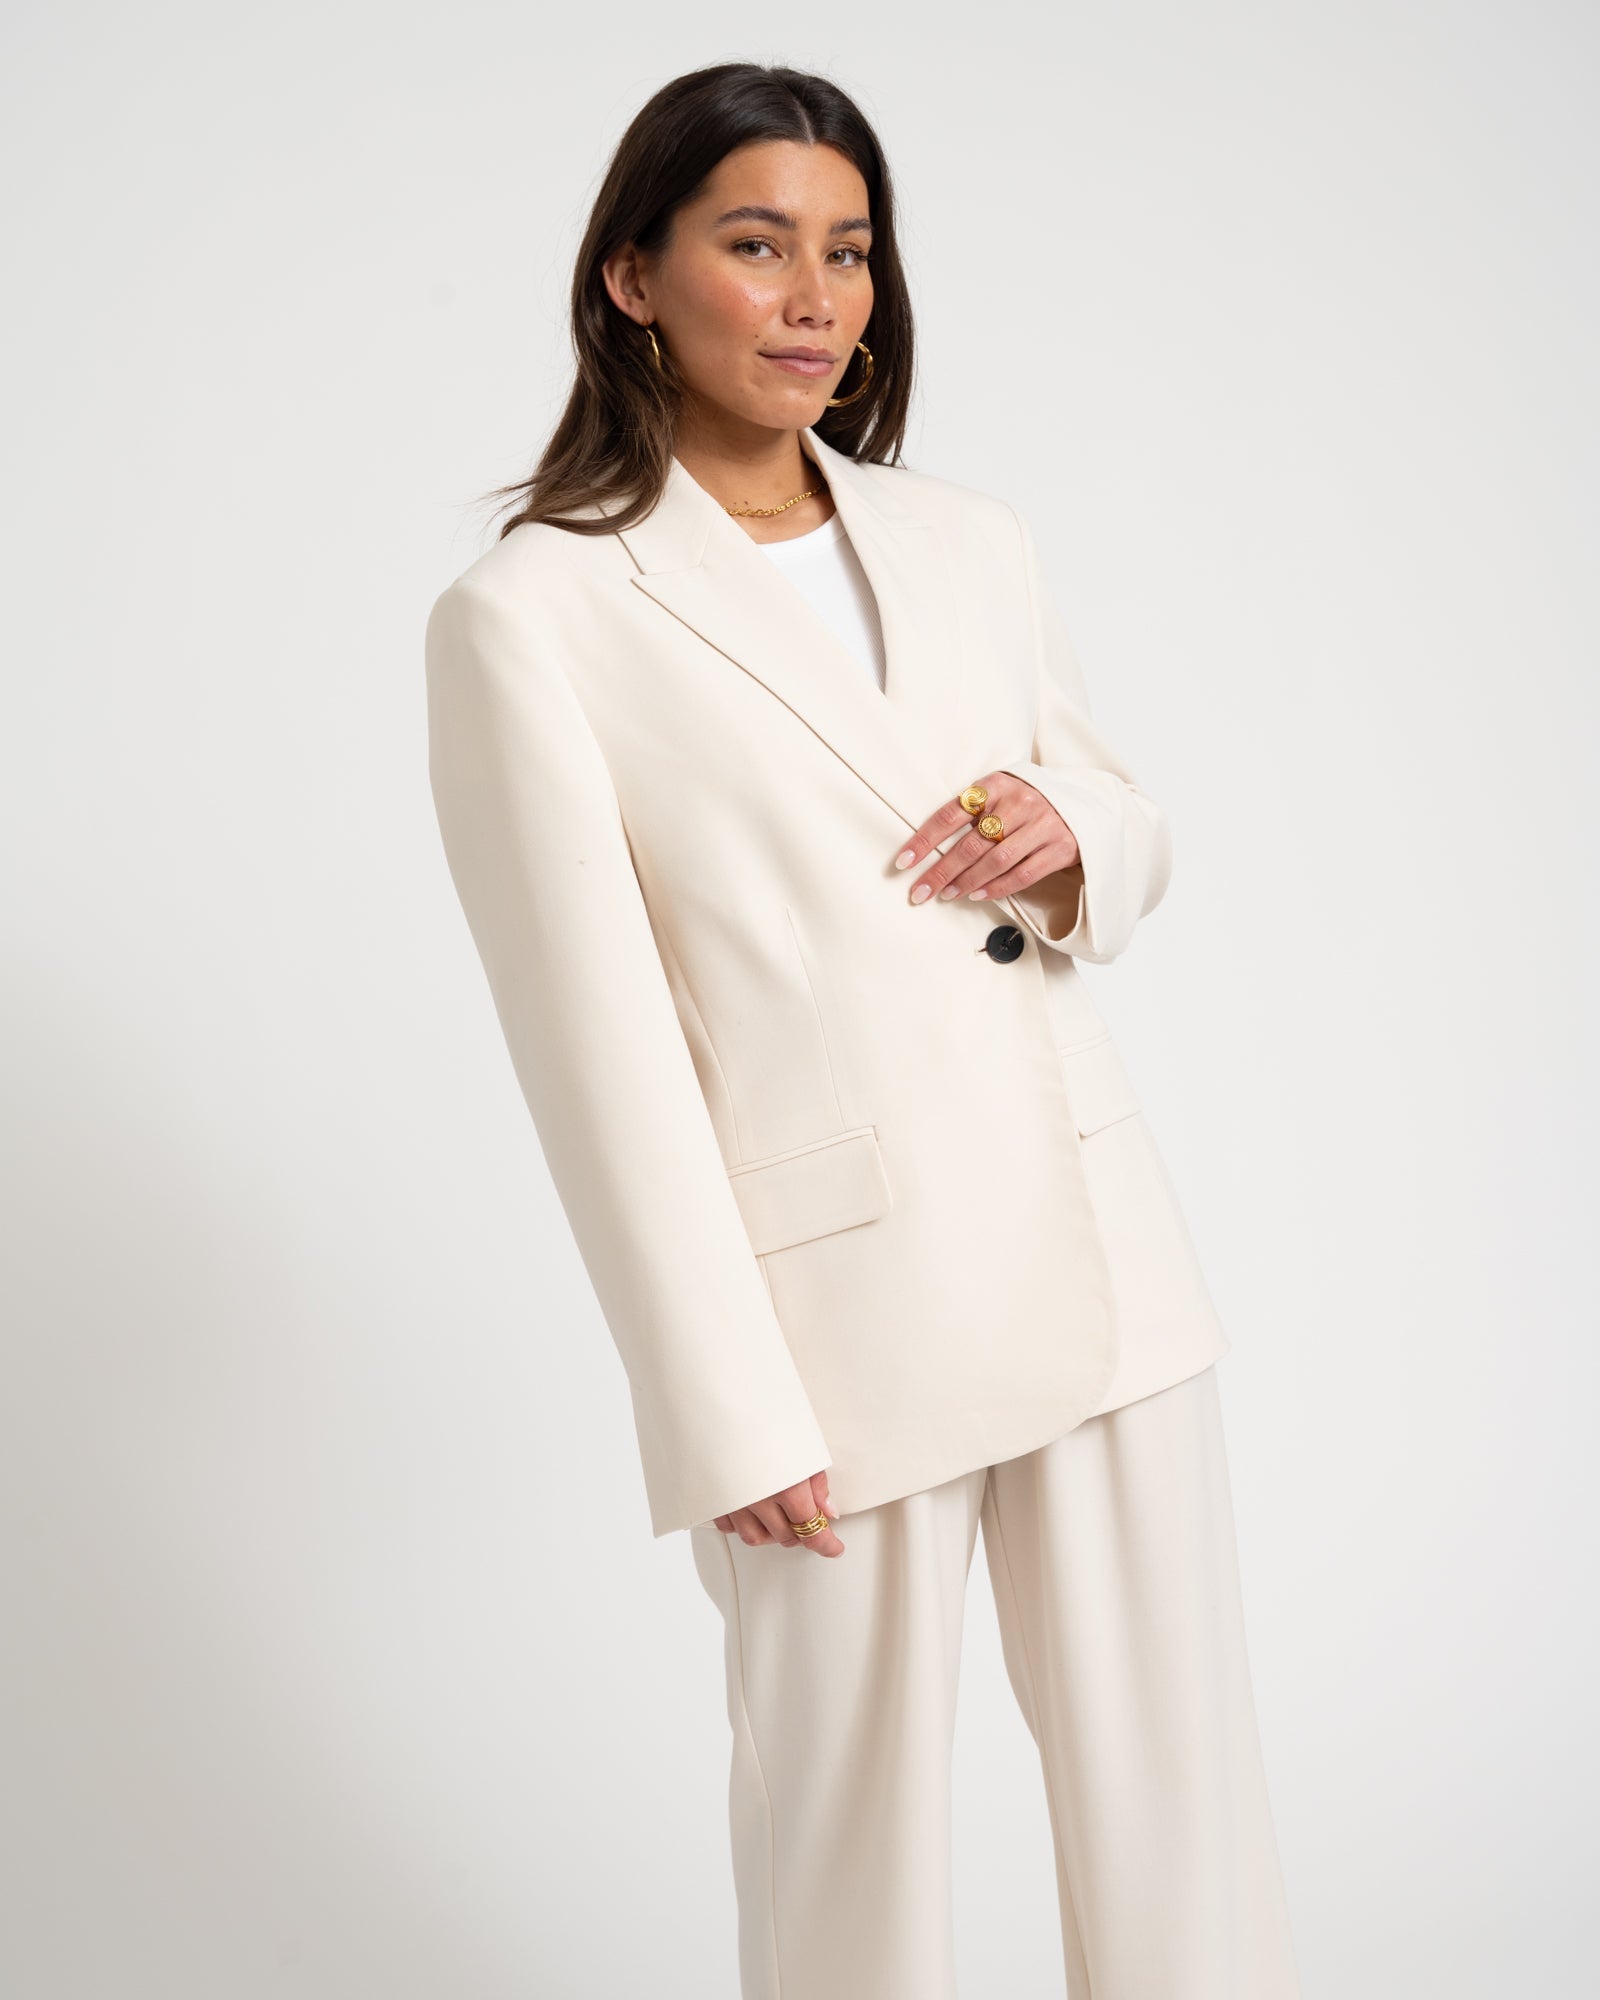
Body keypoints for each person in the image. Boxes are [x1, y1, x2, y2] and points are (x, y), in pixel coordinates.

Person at [424, 59, 1301, 2000]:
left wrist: (1075, 834)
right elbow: (595, 1054)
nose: (816, 298)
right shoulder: (535, 612)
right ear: (632, 275)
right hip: (830, 1328)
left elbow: (1116, 811)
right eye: (757, 245)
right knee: (848, 1866)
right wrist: (720, 1403)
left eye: (849, 250)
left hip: (1099, 1255)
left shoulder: (967, 538)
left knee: (1182, 1817)